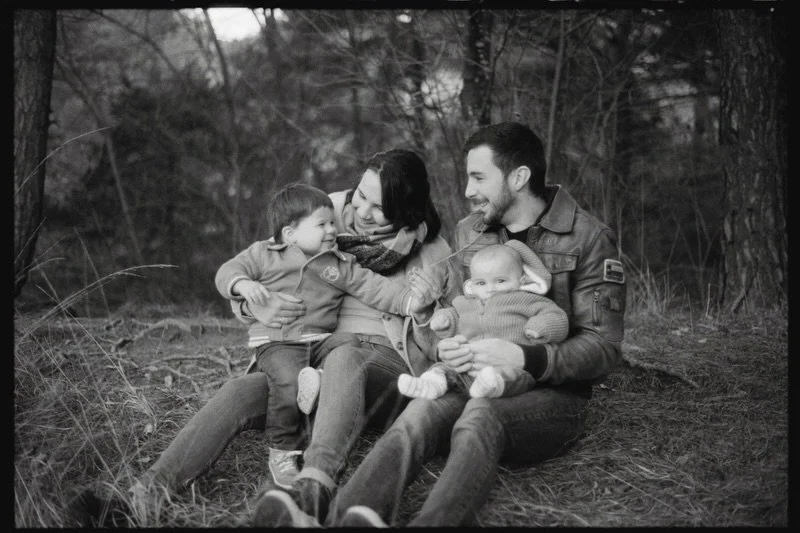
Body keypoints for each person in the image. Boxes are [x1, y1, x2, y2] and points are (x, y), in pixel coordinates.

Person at [254, 121, 626, 527]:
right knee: (420, 413)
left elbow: (603, 349)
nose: (467, 190)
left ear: (519, 177)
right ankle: (327, 508)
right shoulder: (471, 233)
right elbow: (448, 321)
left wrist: (526, 357)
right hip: (467, 376)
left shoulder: (588, 237)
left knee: (481, 415)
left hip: (552, 396)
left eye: (479, 177)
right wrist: (440, 338)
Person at [67, 149, 458, 527]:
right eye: (361, 196)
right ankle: (142, 500)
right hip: (307, 357)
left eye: (379, 207)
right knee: (240, 391)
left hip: (383, 369)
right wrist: (257, 306)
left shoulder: (432, 252)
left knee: (347, 357)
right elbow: (264, 268)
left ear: (405, 210)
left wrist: (427, 307)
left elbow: (453, 332)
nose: (363, 212)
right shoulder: (326, 214)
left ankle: (312, 493)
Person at [215, 182, 437, 490]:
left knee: (348, 344)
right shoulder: (264, 253)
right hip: (278, 342)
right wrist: (242, 285)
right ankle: (282, 449)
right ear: (290, 234)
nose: (333, 230)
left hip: (318, 342)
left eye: (333, 222)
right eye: (322, 225)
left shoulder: (337, 264)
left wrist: (411, 302)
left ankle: (319, 380)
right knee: (287, 380)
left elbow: (373, 287)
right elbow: (227, 271)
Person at [396, 239, 569, 400]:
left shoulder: (526, 300)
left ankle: (491, 386)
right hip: (468, 365)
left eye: (500, 281)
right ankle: (432, 384)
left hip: (507, 363)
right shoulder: (467, 302)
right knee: (443, 369)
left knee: (516, 376)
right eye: (481, 283)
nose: (490, 289)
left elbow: (555, 316)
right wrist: (443, 320)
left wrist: (540, 327)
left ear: (521, 280)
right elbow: (454, 314)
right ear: (471, 284)